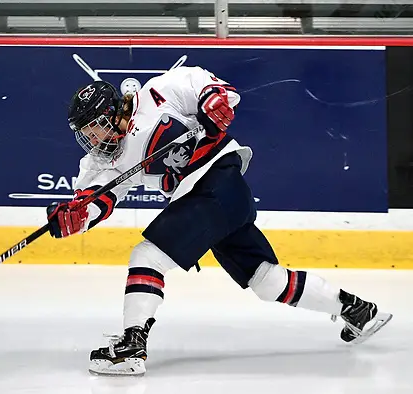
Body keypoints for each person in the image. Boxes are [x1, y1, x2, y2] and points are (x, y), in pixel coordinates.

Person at [45, 66, 393, 376]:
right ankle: (358, 310)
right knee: (266, 281)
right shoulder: (105, 162)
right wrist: (76, 216)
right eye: (86, 135)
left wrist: (215, 102)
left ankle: (131, 346)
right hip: (217, 201)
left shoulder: (157, 94)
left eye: (95, 130)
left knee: (147, 256)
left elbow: (209, 88)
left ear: (112, 114)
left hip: (217, 180)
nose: (92, 141)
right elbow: (94, 201)